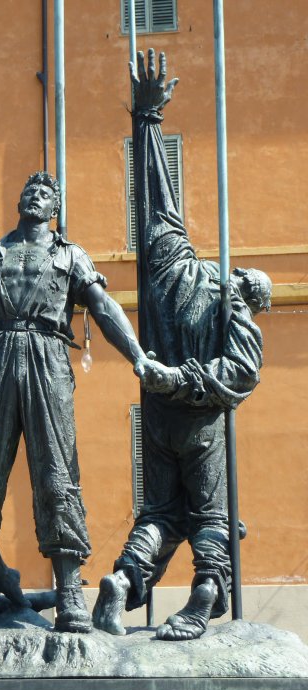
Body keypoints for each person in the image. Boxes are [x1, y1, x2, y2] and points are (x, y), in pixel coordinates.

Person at [92, 50, 272, 641]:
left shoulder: (168, 267)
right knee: (211, 516)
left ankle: (124, 578)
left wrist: (147, 120)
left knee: (160, 514)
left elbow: (156, 202)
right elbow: (243, 370)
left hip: (157, 415)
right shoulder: (231, 303)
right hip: (197, 419)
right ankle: (206, 594)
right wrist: (190, 379)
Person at [0, 171, 150, 635]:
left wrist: (139, 357)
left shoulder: (71, 256)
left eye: (44, 193)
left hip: (48, 357)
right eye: (28, 190)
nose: (34, 196)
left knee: (57, 474)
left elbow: (104, 309)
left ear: (55, 209)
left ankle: (70, 594)